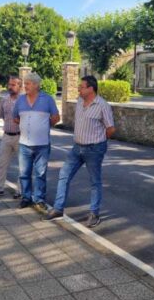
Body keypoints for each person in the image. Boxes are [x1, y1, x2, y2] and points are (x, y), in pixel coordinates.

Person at [44, 75, 115, 228]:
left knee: (95, 181)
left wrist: (99, 143)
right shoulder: (80, 101)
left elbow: (110, 129)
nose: (78, 89)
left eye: (81, 87)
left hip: (94, 149)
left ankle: (94, 213)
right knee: (64, 175)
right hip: (77, 148)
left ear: (91, 88)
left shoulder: (102, 105)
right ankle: (58, 209)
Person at [13, 72, 60, 212]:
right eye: (24, 84)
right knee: (24, 173)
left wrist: (44, 125)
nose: (24, 86)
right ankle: (26, 198)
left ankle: (39, 200)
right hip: (24, 144)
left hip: (42, 144)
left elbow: (56, 117)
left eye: (27, 84)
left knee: (40, 173)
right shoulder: (20, 100)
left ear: (36, 85)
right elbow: (15, 117)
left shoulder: (47, 99)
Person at [0, 75, 22, 199]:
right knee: (1, 163)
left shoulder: (24, 100)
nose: (10, 87)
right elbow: (2, 115)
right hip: (6, 136)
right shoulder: (4, 100)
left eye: (13, 85)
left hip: (20, 137)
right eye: (9, 84)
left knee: (22, 165)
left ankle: (20, 191)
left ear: (20, 86)